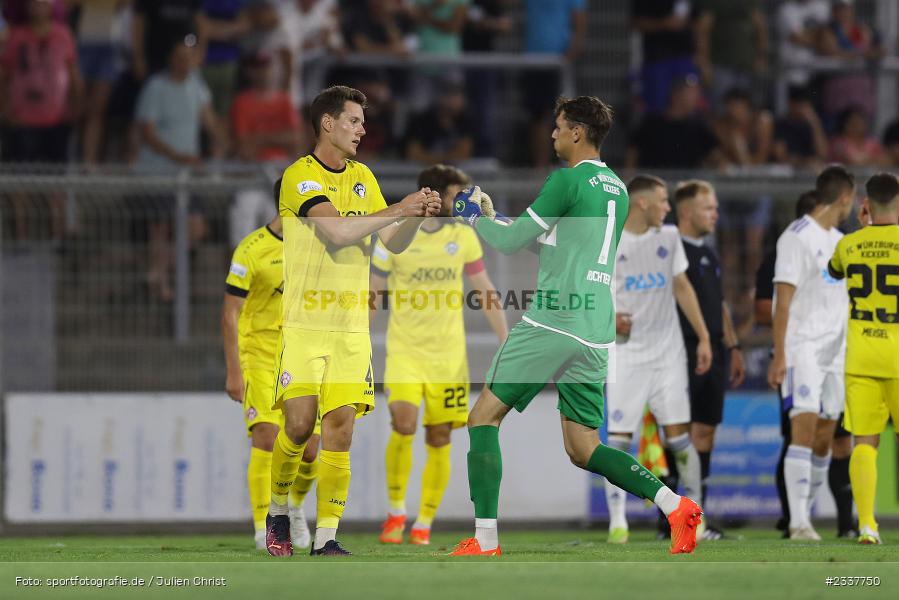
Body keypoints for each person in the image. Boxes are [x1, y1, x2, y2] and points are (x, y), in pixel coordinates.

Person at [449, 96, 703, 556]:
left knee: (482, 417)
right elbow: (554, 247)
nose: (552, 134)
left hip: (553, 319)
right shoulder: (618, 190)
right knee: (584, 448)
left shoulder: (566, 180)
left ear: (577, 134)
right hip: (593, 328)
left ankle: (484, 540)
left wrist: (473, 219)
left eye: (558, 127)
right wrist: (494, 217)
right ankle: (676, 505)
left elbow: (508, 244)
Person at [265, 85, 441, 557]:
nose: (363, 129)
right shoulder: (299, 177)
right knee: (300, 427)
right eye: (354, 121)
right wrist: (400, 208)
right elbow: (340, 232)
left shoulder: (364, 177)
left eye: (363, 122)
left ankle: (327, 537)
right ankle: (278, 507)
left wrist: (414, 217)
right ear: (328, 123)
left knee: (340, 425)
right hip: (304, 323)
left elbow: (393, 243)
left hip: (350, 327)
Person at [371, 164, 508, 546]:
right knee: (403, 423)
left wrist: (505, 337)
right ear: (434, 195)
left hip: (448, 357)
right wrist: (357, 335)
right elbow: (374, 290)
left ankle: (424, 521)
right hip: (405, 350)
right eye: (457, 194)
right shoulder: (394, 237)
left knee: (438, 437)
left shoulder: (463, 239)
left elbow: (484, 289)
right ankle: (396, 511)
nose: (464, 201)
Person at [603, 174, 711, 545]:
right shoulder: (610, 241)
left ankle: (697, 515)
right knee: (618, 440)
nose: (668, 208)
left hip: (667, 354)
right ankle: (618, 522)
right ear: (643, 204)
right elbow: (591, 291)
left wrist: (704, 336)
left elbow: (682, 286)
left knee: (680, 439)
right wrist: (608, 319)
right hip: (625, 355)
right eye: (663, 201)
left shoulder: (668, 238)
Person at [222, 178, 320, 550]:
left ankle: (293, 508)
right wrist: (234, 371)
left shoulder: (317, 249)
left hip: (303, 354)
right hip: (260, 355)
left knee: (309, 448)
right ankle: (265, 527)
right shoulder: (252, 249)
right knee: (266, 436)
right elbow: (230, 313)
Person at [767, 165, 855, 540]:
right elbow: (782, 302)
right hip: (802, 347)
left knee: (825, 438)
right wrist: (779, 355)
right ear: (845, 198)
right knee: (802, 432)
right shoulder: (796, 237)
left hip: (836, 353)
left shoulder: (841, 241)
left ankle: (807, 515)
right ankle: (799, 521)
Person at [667, 180, 745, 540]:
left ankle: (696, 516)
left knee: (706, 433)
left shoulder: (710, 254)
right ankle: (669, 519)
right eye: (708, 208)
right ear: (686, 212)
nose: (715, 213)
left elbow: (719, 304)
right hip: (681, 348)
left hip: (714, 350)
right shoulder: (669, 249)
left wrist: (733, 346)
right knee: (679, 432)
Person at [827, 172, 899, 545]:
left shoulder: (849, 245)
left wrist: (864, 228)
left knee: (864, 442)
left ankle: (868, 525)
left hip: (862, 357)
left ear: (865, 205)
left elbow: (833, 271)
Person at [133, 35, 225, 301]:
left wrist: (221, 142)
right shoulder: (155, 87)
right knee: (159, 227)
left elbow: (208, 119)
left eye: (190, 57)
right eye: (182, 58)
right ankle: (159, 284)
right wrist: (176, 156)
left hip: (186, 174)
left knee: (196, 228)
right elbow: (146, 131)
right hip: (157, 172)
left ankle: (155, 273)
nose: (187, 62)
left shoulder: (196, 85)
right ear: (171, 60)